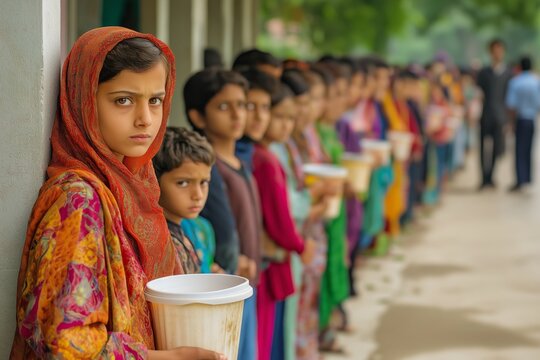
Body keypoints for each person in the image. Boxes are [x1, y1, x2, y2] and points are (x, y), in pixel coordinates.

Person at [10, 27, 225, 359]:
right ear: (84, 101)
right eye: (123, 100)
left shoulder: (136, 184)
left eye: (155, 100)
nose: (145, 119)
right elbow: (64, 344)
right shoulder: (78, 201)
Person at [184, 69, 260, 360]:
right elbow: (221, 230)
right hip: (225, 284)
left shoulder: (239, 161)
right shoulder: (207, 169)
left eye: (242, 104)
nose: (237, 114)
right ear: (198, 116)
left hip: (246, 280)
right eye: (223, 106)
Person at [153, 127, 218, 274]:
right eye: (183, 183)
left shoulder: (196, 229)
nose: (198, 195)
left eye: (204, 182)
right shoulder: (159, 242)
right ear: (154, 181)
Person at [476, 39, 513, 190]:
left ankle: (492, 176)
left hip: (500, 116)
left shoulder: (508, 74)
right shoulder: (484, 73)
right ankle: (484, 178)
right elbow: (478, 94)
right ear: (490, 52)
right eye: (494, 50)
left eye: (500, 50)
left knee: (497, 148)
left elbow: (510, 98)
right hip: (485, 114)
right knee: (483, 148)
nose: (497, 53)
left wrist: (509, 120)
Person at [505, 56, 540, 192]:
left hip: (520, 119)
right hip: (531, 119)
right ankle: (527, 178)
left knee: (519, 150)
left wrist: (510, 122)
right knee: (529, 149)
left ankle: (520, 179)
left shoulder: (515, 82)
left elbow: (511, 104)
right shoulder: (535, 82)